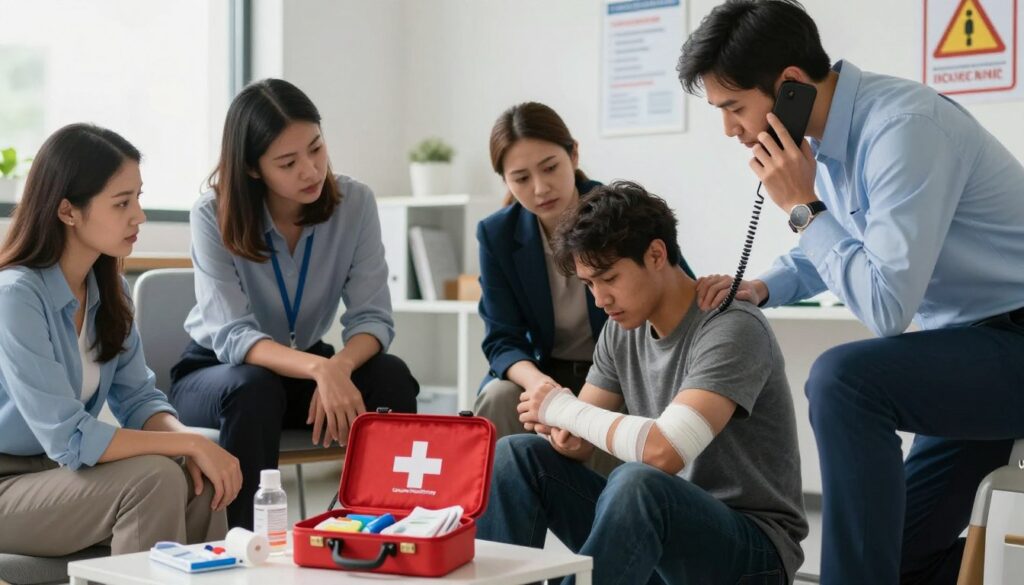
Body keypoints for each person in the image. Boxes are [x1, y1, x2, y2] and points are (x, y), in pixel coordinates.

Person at [677, 1, 1024, 583]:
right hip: (975, 345)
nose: (730, 130)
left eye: (734, 108)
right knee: (898, 558)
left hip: (1008, 341)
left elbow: (885, 309)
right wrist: (762, 286)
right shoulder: (830, 143)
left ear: (789, 85)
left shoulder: (903, 130)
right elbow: (847, 240)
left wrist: (801, 206)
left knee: (844, 381)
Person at [477, 181, 807, 585]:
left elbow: (665, 451)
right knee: (516, 456)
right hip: (657, 535)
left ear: (656, 255)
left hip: (751, 553)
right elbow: (579, 438)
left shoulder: (732, 326)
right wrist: (563, 430)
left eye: (609, 278)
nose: (600, 299)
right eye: (589, 284)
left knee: (637, 480)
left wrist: (563, 408)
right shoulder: (621, 330)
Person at [168, 78, 419, 529]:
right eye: (288, 162)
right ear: (252, 169)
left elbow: (373, 318)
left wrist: (336, 367)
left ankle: (375, 532)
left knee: (392, 377)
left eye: (316, 148)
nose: (311, 170)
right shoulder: (211, 214)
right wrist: (322, 369)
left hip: (306, 367)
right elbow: (233, 335)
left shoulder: (356, 203)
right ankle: (247, 545)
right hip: (220, 373)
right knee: (254, 388)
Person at [0, 124, 237, 556]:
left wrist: (191, 445)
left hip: (58, 474)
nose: (139, 216)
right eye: (122, 203)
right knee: (155, 478)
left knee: (199, 477)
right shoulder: (15, 296)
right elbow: (69, 437)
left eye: (138, 198)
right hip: (9, 485)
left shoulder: (110, 292)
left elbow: (140, 401)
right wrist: (187, 442)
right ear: (68, 211)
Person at [474, 102, 694, 444]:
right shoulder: (496, 235)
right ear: (505, 181)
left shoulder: (617, 212)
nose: (540, 188)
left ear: (574, 155)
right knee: (498, 396)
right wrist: (539, 384)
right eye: (521, 178)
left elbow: (674, 283)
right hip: (546, 371)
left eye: (550, 168)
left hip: (619, 373)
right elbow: (502, 339)